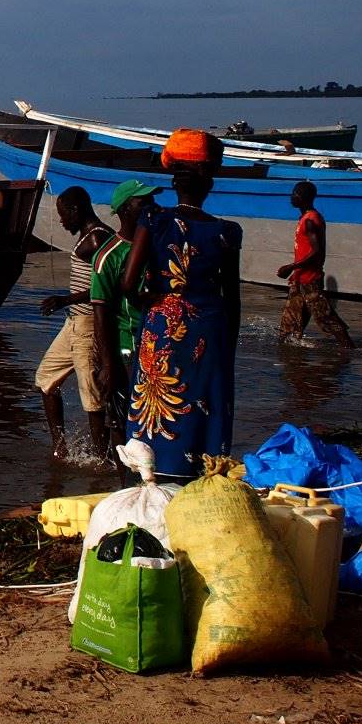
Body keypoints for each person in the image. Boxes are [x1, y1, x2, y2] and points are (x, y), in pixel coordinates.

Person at [120, 130, 243, 482]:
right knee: (204, 403)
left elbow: (128, 283)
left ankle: (149, 477)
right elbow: (232, 297)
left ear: (175, 184)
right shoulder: (227, 231)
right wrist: (227, 346)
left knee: (155, 403)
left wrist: (150, 301)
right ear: (209, 185)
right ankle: (198, 479)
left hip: (163, 324)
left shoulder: (154, 219)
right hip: (210, 326)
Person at [34, 186, 115, 460]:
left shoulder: (98, 239)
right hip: (73, 324)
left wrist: (65, 299)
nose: (61, 221)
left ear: (75, 210)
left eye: (63, 215)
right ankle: (60, 447)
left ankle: (101, 459)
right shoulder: (87, 238)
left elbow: (106, 287)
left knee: (91, 397)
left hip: (88, 324)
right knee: (46, 379)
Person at [91, 179, 155, 453]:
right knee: (122, 422)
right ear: (126, 209)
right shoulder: (109, 256)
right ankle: (125, 484)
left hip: (156, 347)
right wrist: (109, 364)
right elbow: (101, 312)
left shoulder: (157, 248)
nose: (152, 206)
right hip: (127, 349)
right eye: (144, 202)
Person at [275, 180, 353, 350]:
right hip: (300, 279)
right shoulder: (305, 218)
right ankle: (291, 357)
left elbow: (316, 251)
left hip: (309, 279)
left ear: (304, 198)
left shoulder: (310, 220)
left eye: (295, 194)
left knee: (325, 317)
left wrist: (291, 267)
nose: (292, 197)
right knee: (289, 324)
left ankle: (349, 349)